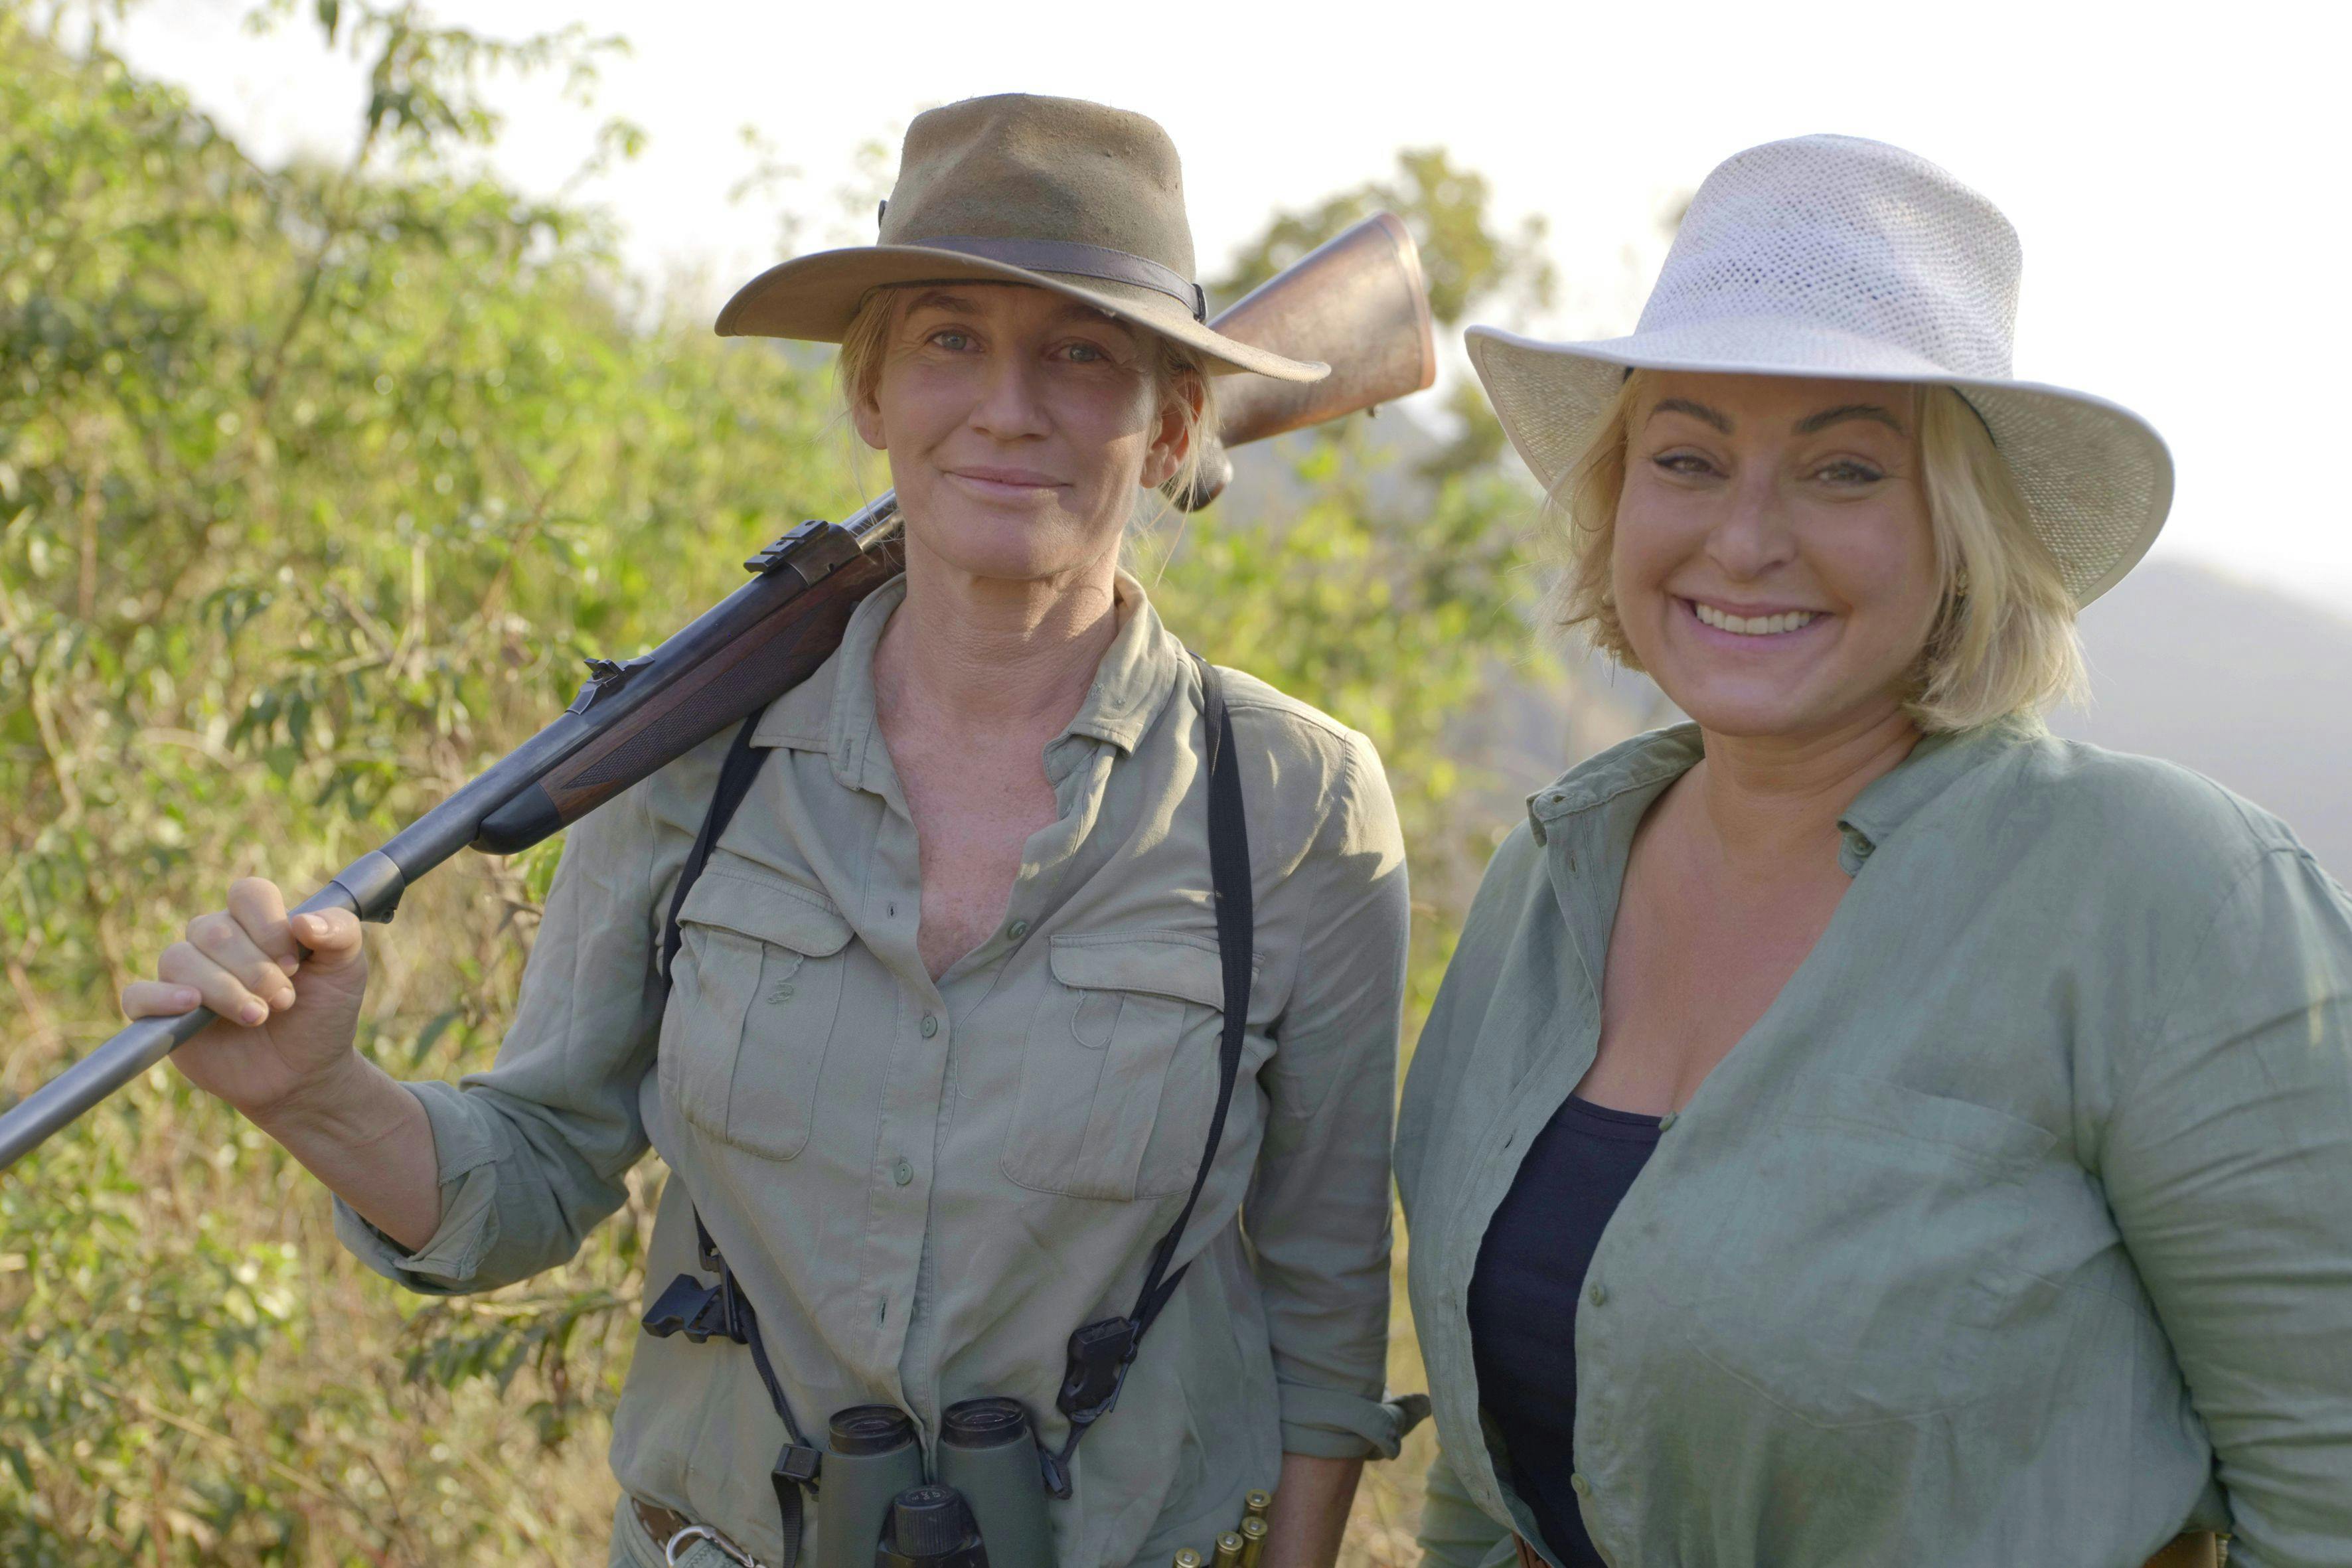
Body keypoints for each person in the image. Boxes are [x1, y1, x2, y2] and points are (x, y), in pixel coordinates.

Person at [124, 94, 1415, 1568]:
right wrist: (318, 1095)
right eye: (949, 340)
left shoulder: (1294, 802)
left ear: (1175, 422)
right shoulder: (691, 761)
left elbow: (1325, 1307)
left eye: (1081, 354)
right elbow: (534, 1170)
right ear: (870, 394)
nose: (1007, 407)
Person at [1397, 134, 2352, 1568]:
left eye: (1843, 470)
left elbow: (2332, 1481)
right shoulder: (1550, 875)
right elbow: (1483, 1481)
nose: (1743, 538)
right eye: (1685, 458)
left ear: (1961, 535)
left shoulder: (2168, 896)